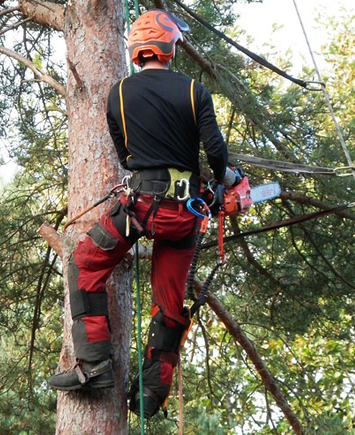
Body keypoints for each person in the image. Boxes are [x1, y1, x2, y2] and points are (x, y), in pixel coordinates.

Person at [49, 9, 237, 418]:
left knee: (84, 266)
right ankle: (151, 393)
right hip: (185, 216)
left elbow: (124, 156)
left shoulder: (117, 93)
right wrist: (228, 178)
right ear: (170, 47)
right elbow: (217, 156)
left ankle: (95, 363)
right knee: (169, 305)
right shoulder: (193, 92)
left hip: (140, 210)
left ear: (137, 50)